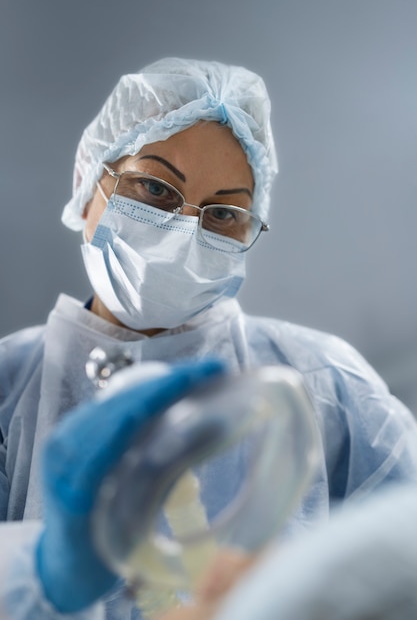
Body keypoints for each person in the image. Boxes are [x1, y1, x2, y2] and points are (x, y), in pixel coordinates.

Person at [1, 56, 417, 620]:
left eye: (224, 214)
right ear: (86, 181)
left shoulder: (322, 383)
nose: (182, 233)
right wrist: (39, 581)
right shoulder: (9, 386)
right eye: (153, 188)